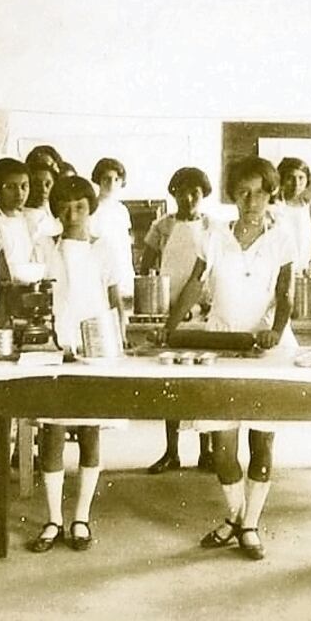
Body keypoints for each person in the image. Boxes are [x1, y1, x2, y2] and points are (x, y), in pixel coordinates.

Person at [164, 156, 297, 561]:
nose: (251, 201)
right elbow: (194, 282)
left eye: (259, 192)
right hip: (221, 343)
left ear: (271, 194)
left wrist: (276, 330)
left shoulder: (282, 238)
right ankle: (239, 519)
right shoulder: (215, 235)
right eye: (243, 192)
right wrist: (170, 327)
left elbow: (286, 292)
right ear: (232, 195)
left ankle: (247, 524)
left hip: (266, 346)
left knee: (261, 440)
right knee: (222, 446)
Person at [26, 174, 129, 553]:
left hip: (96, 343)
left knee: (89, 429)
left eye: (80, 207)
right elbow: (34, 294)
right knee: (51, 431)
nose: (72, 215)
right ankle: (54, 518)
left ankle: (81, 517)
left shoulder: (104, 248)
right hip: (55, 343)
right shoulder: (44, 246)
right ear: (55, 210)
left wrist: (120, 338)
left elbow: (115, 300)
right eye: (65, 207)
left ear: (91, 208)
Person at [0, 158, 57, 487]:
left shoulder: (27, 219)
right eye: (10, 186)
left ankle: (16, 460)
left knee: (23, 390)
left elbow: (36, 259)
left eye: (24, 186)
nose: (19, 193)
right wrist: (8, 289)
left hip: (24, 302)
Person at [140, 167, 216, 475]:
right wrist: (159, 305)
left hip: (202, 312)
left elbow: (213, 269)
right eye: (181, 192)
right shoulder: (162, 226)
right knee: (170, 384)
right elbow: (146, 267)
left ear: (203, 194)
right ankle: (171, 452)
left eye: (194, 192)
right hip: (169, 312)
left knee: (204, 384)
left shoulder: (213, 227)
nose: (187, 198)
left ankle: (206, 451)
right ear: (173, 194)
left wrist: (201, 305)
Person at [89, 157, 137, 299]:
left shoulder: (122, 210)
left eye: (116, 180)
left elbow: (125, 246)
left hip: (122, 266)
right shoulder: (92, 208)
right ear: (99, 180)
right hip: (101, 266)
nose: (111, 184)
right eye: (106, 179)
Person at [272, 157, 311, 272]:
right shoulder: (274, 208)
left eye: (301, 178)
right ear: (281, 180)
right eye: (290, 178)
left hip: (304, 272)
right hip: (279, 270)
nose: (296, 183)